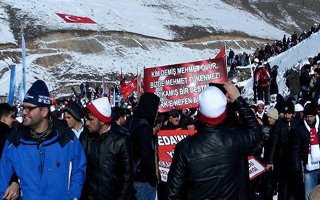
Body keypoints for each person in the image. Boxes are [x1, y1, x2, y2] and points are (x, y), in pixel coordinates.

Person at [167, 83, 262, 199]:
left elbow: (172, 194)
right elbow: (256, 131)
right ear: (224, 111)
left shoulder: (185, 148)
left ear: (199, 111)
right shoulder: (237, 139)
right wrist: (238, 100)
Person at [0, 80, 86, 199]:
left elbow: (79, 168)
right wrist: (14, 185)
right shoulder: (14, 141)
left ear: (44, 111)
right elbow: (2, 179)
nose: (23, 112)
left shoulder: (66, 138)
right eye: (23, 107)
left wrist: (73, 196)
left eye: (29, 108)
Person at [80, 97, 133, 200]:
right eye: (86, 119)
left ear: (102, 121)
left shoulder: (121, 141)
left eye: (91, 120)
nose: (87, 123)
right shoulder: (85, 137)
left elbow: (127, 176)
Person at [265, 100, 301, 200]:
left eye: (289, 113)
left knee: (295, 185)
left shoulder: (298, 123)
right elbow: (274, 143)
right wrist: (270, 161)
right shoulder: (279, 125)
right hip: (282, 159)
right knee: (283, 184)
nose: (286, 116)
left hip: (295, 159)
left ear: (293, 113)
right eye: (285, 113)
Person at [128, 93, 160, 200]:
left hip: (133, 176)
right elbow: (146, 155)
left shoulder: (133, 121)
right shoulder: (144, 127)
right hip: (143, 180)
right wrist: (153, 179)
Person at [292, 103, 320, 199]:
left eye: (311, 116)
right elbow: (296, 149)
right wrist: (297, 166)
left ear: (315, 116)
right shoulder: (300, 129)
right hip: (309, 167)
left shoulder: (319, 128)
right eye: (307, 116)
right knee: (309, 194)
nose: (309, 119)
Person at [0, 103, 20, 200]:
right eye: (11, 117)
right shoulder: (10, 136)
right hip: (6, 192)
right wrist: (15, 181)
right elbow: (14, 162)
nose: (13, 120)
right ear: (3, 117)